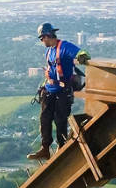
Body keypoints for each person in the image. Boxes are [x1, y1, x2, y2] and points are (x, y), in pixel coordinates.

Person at [27, 22, 91, 160]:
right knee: (45, 118)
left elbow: (81, 52)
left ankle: (61, 148)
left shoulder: (64, 47)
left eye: (41, 38)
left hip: (63, 90)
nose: (41, 41)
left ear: (47, 36)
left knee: (60, 120)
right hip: (50, 89)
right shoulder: (49, 50)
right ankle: (45, 148)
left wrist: (82, 56)